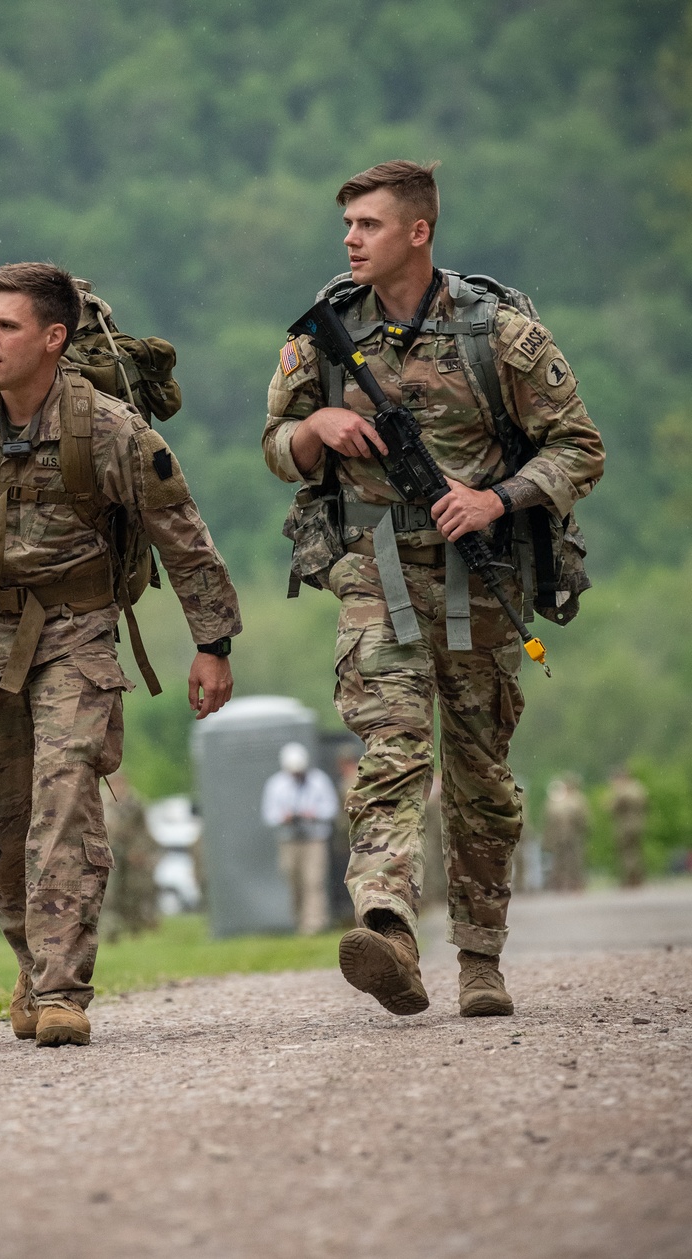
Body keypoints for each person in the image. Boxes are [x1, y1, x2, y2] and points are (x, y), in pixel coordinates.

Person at [263, 160, 604, 1017]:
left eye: (368, 225)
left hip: (481, 579)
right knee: (392, 744)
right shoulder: (326, 331)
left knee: (481, 775)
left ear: (418, 232)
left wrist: (496, 497)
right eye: (346, 225)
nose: (350, 239)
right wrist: (314, 427)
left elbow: (579, 447)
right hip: (376, 573)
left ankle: (481, 956)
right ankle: (386, 924)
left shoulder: (502, 334)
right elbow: (273, 444)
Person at [0, 262, 240, 1047]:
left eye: (5, 325)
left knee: (65, 795)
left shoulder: (106, 429)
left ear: (53, 337)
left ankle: (63, 988)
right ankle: (34, 964)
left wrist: (212, 642)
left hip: (75, 632)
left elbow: (183, 532)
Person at [261, 741, 339, 935]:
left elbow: (332, 808)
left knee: (314, 880)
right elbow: (269, 814)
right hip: (289, 840)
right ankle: (298, 919)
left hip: (314, 839)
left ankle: (314, 924)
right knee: (293, 880)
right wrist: (284, 817)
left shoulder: (319, 781)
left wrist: (314, 814)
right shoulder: (276, 784)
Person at [99, 772, 161, 942]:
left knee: (134, 892)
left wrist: (140, 851)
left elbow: (144, 832)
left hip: (131, 855)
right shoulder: (102, 803)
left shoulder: (135, 804)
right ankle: (111, 931)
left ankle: (136, 928)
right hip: (109, 854)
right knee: (110, 894)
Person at [542, 775, 589, 892]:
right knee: (567, 859)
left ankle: (567, 882)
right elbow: (583, 819)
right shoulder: (576, 800)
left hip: (566, 835)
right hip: (567, 835)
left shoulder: (559, 801)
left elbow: (549, 819)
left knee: (568, 859)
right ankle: (568, 882)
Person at [606, 767, 648, 888]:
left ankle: (629, 879)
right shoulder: (638, 788)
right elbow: (645, 805)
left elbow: (614, 807)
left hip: (625, 825)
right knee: (636, 851)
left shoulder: (623, 790)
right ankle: (638, 879)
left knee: (627, 853)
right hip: (638, 823)